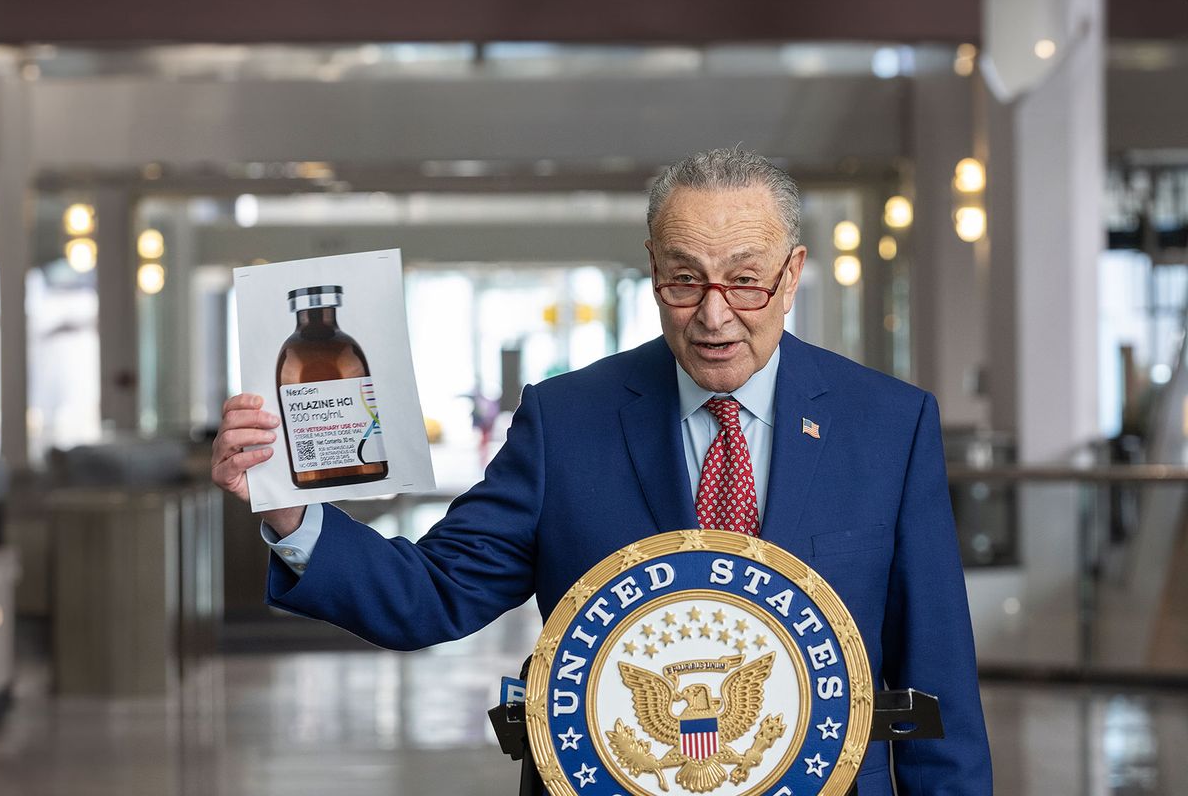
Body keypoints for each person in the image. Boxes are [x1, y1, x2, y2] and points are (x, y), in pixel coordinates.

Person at [212, 148, 992, 793]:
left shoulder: (889, 426)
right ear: (653, 269)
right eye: (684, 279)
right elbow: (433, 593)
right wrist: (289, 514)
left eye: (745, 279)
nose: (714, 314)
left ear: (791, 276)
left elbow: (938, 685)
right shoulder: (565, 423)